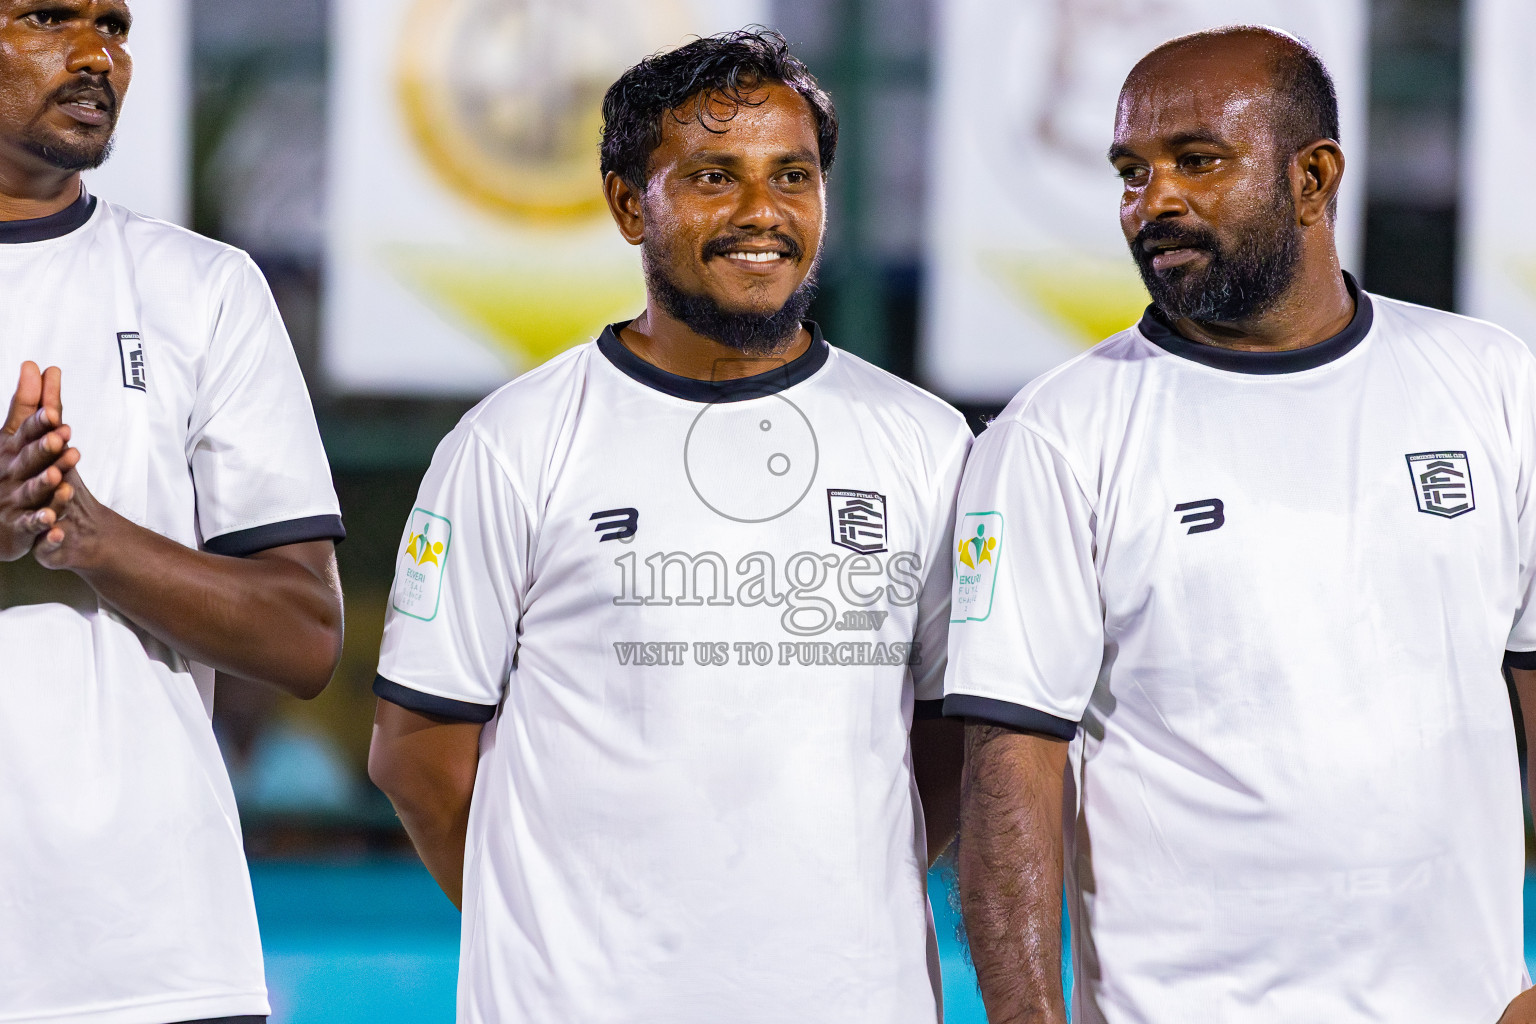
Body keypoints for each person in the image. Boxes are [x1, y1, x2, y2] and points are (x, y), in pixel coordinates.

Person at [367, 29, 970, 1024]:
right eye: (711, 177)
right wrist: (559, 942)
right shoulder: (512, 443)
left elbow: (954, 738)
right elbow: (419, 757)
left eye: (793, 175)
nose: (761, 213)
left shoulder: (927, 444)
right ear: (624, 204)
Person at [944, 25, 1536, 1024]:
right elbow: (1010, 769)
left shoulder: (1491, 382)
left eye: (1199, 162)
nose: (1154, 201)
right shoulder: (1056, 434)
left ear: (1313, 178)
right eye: (1131, 172)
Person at [0, 2, 346, 1022]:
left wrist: (91, 540)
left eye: (115, 24)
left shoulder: (203, 288)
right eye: (50, 16)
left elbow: (303, 634)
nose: (97, 53)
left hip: (155, 958)